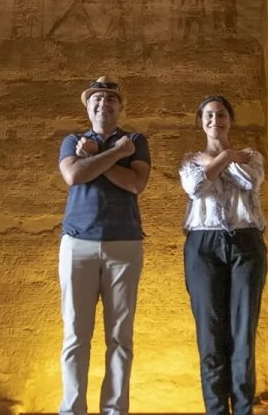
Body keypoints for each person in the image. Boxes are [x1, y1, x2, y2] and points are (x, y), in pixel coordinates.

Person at [57, 77, 152, 415]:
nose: (103, 103)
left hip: (124, 244)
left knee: (120, 338)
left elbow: (135, 183)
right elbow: (74, 176)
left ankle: (114, 411)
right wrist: (114, 155)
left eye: (110, 98)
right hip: (77, 244)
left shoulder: (135, 141)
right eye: (96, 98)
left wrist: (97, 157)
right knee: (75, 334)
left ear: (120, 106)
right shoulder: (73, 140)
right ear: (88, 107)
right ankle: (72, 410)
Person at [178, 96, 267, 415]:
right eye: (209, 115)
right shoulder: (190, 159)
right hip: (203, 245)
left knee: (243, 335)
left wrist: (218, 164)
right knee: (210, 336)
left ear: (230, 119)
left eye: (221, 114)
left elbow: (250, 180)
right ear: (201, 121)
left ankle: (243, 410)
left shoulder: (252, 156)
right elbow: (195, 187)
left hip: (246, 241)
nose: (215, 119)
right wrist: (228, 156)